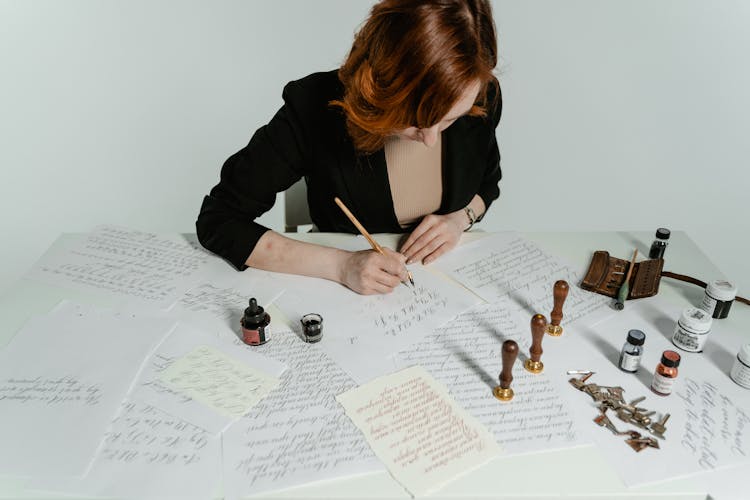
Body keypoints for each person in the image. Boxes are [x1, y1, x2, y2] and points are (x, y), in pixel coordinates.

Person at [197, 0, 502, 295]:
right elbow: (219, 219)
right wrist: (341, 266)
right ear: (381, 87)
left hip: (450, 283)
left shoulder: (479, 95)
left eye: (449, 120)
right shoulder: (313, 107)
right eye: (416, 121)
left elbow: (488, 181)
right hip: (343, 299)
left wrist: (460, 219)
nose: (431, 139)